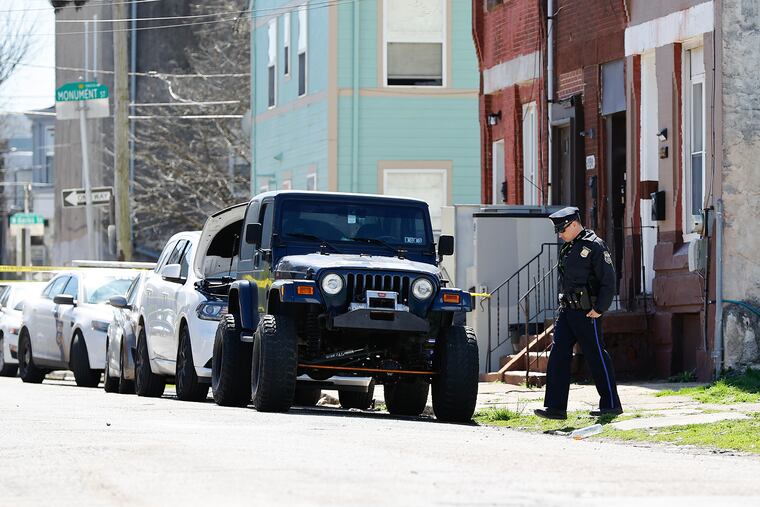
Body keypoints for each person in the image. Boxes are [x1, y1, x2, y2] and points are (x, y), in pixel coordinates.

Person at [534, 206, 623, 420]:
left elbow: (608, 281)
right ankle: (556, 407)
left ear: (574, 224)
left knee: (596, 355)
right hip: (567, 311)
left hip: (587, 312)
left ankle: (611, 404)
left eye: (562, 230)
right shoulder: (569, 247)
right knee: (558, 355)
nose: (560, 234)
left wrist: (600, 308)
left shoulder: (595, 246)